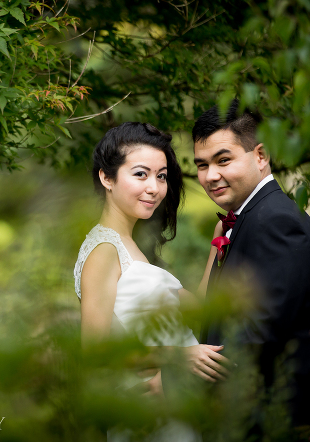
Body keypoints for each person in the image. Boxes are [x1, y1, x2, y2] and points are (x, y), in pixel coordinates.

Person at [74, 122, 229, 439]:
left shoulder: (132, 246)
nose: (155, 188)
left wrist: (218, 245)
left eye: (161, 176)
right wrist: (180, 355)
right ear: (106, 177)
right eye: (141, 174)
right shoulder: (103, 250)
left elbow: (197, 309)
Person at [192, 101, 310, 426]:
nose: (210, 176)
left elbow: (258, 333)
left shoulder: (275, 222)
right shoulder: (250, 217)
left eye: (223, 160)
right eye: (201, 165)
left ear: (260, 155)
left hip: (276, 415)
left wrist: (184, 375)